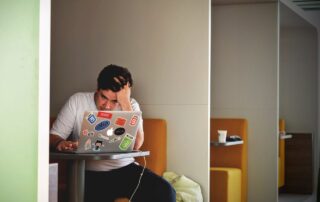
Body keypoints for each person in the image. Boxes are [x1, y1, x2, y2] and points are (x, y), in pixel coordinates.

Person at [50, 64, 176, 202]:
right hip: (88, 174)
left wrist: (125, 103)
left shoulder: (131, 105)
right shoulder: (77, 101)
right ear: (97, 89)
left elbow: (136, 145)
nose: (107, 106)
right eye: (103, 97)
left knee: (165, 191)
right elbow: (53, 136)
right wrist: (61, 143)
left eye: (114, 101)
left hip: (125, 169)